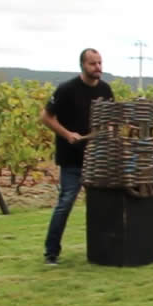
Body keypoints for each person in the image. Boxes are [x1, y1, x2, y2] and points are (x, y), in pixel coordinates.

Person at [40, 48, 114, 265]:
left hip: (97, 158)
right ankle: (51, 252)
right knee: (65, 203)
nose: (98, 68)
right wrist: (67, 134)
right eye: (93, 64)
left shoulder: (105, 90)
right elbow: (46, 117)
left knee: (102, 205)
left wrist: (108, 130)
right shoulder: (66, 90)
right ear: (82, 65)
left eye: (100, 63)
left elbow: (108, 119)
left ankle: (103, 250)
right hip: (72, 158)